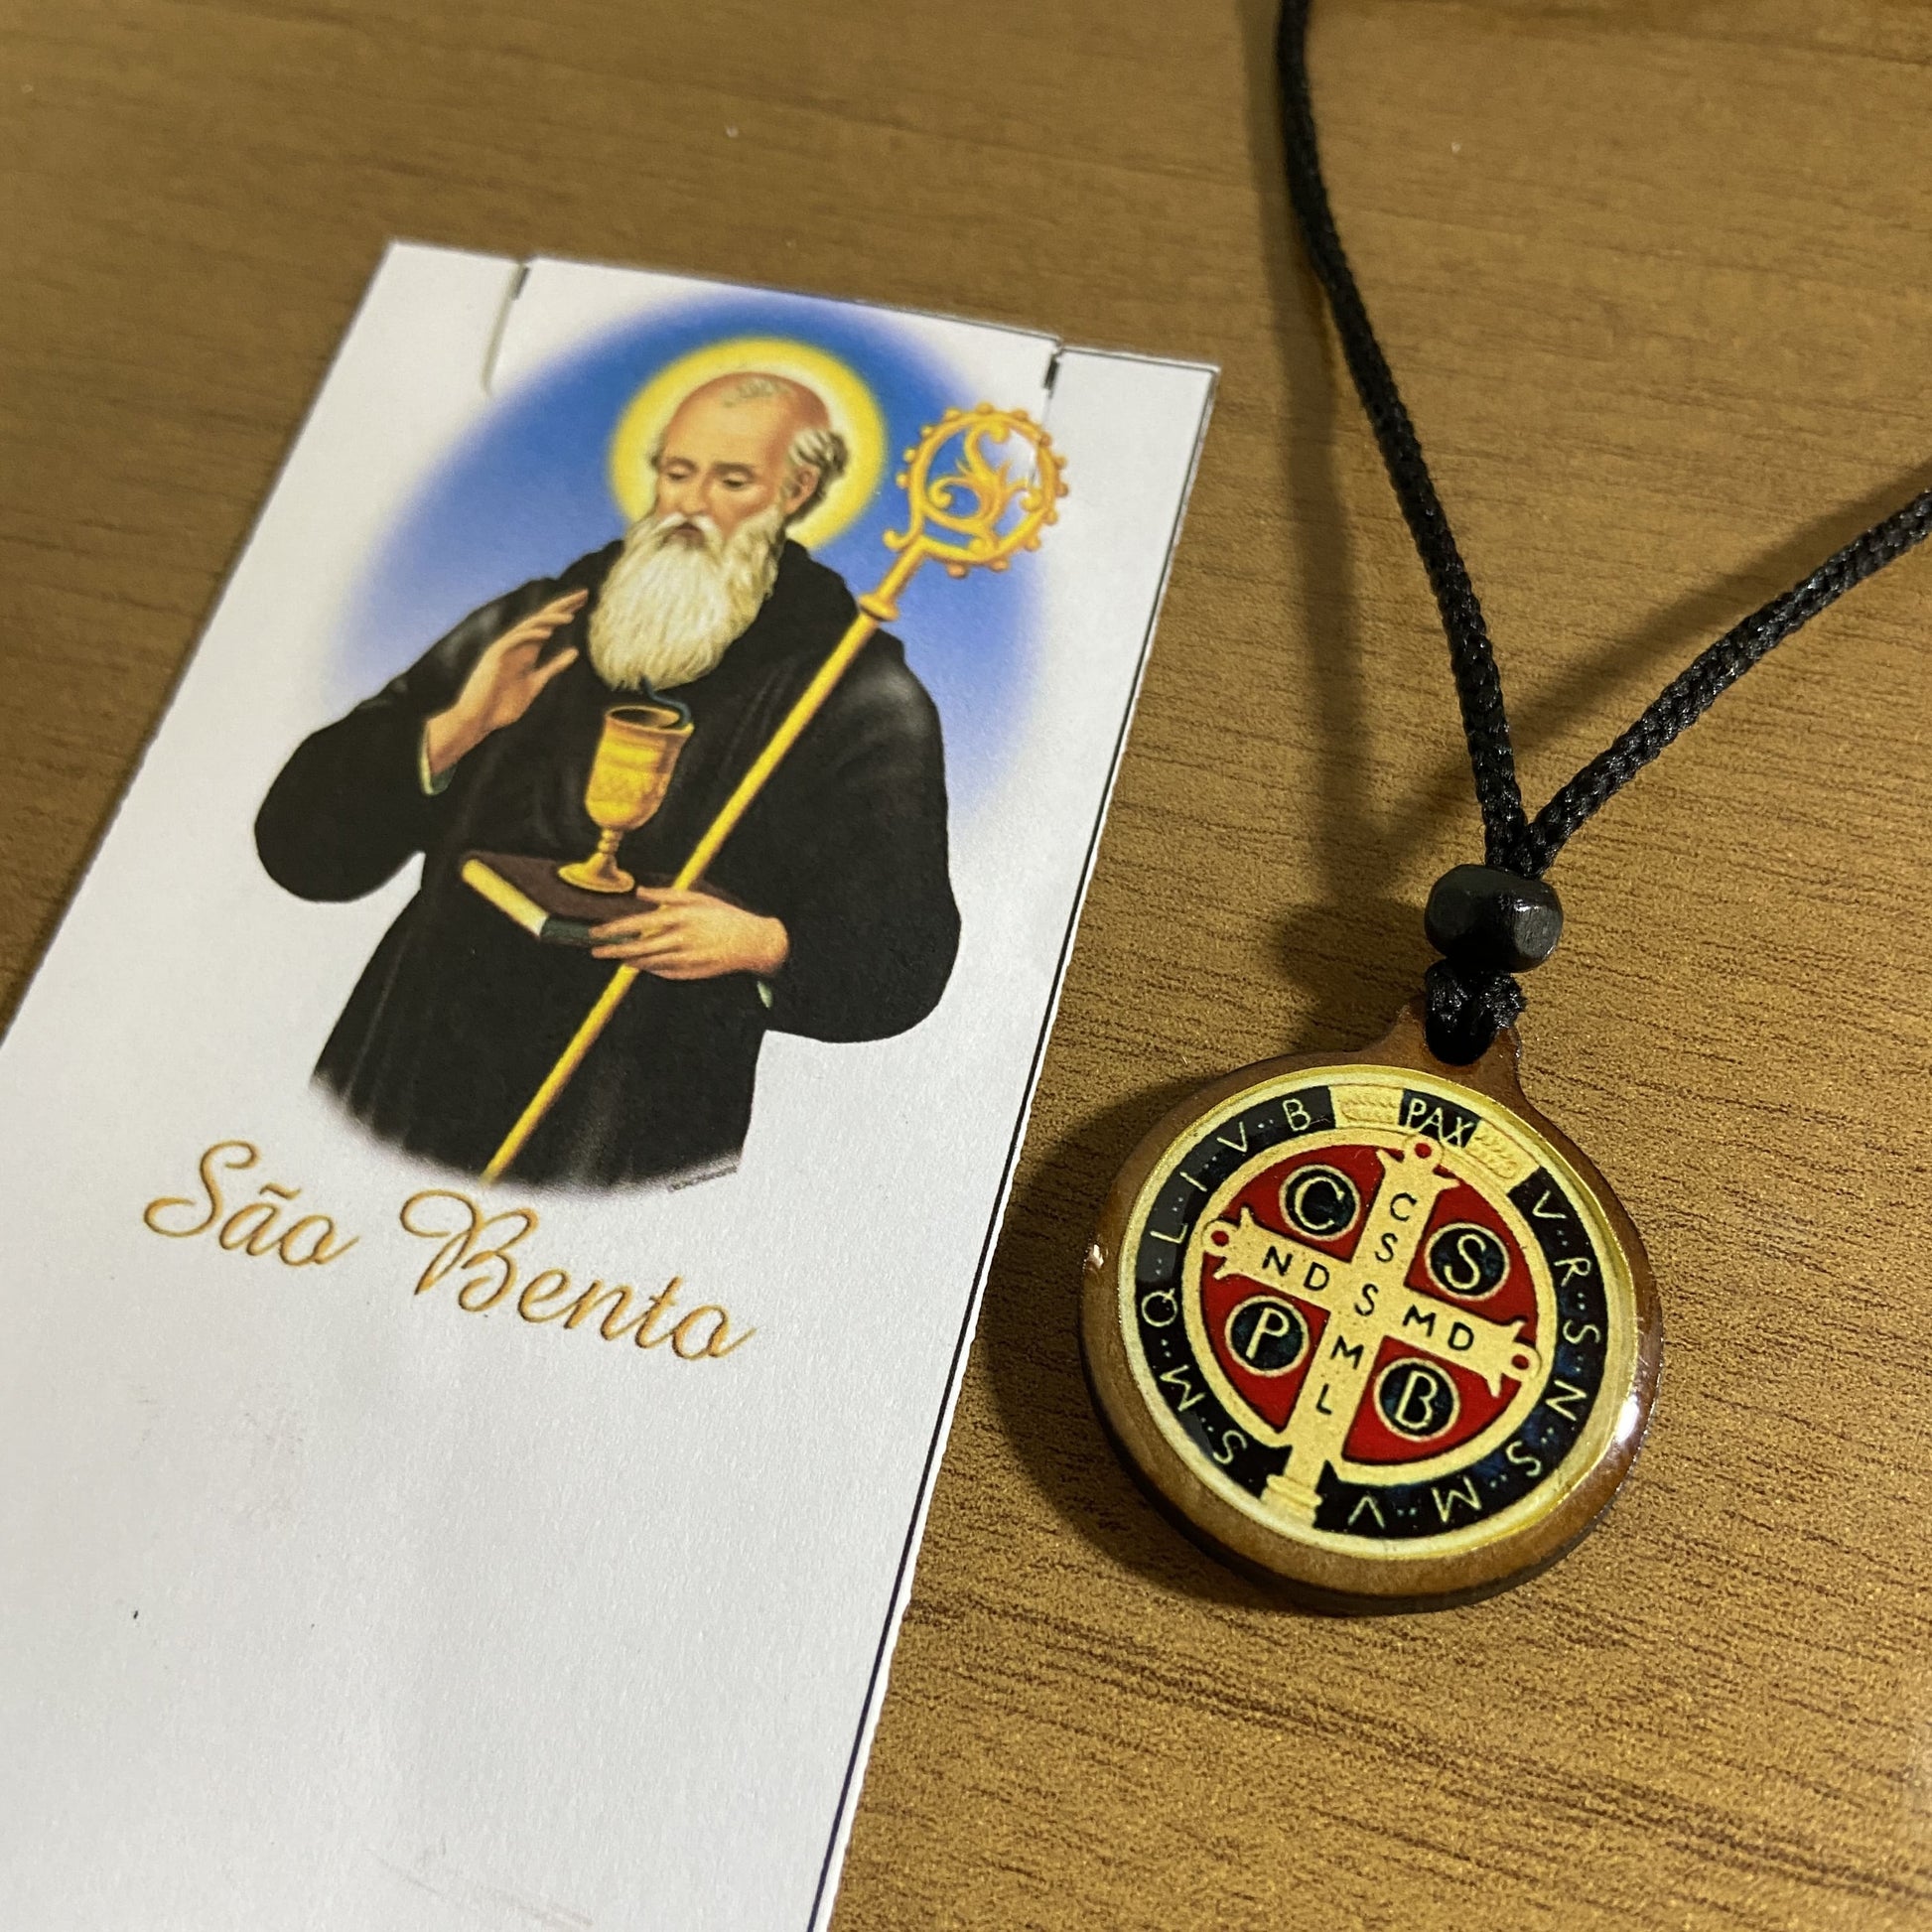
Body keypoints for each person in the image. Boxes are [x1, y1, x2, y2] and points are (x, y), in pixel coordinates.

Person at [256, 370, 959, 1187]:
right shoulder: (541, 619)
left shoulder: (853, 691)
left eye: (732, 481)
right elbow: (302, 842)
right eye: (678, 472)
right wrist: (457, 728)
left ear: (796, 491)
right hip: (417, 1052)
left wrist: (765, 946)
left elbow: (905, 951)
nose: (692, 505)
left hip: (629, 1096)